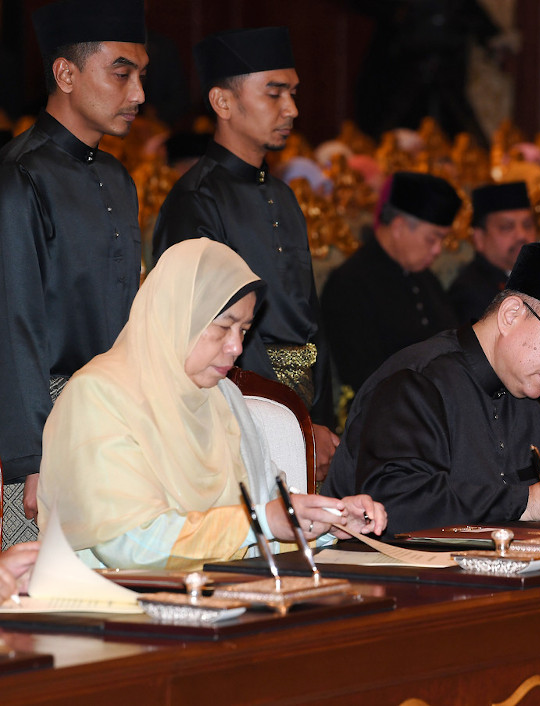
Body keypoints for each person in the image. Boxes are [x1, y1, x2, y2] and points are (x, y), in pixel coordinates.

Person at [37, 239, 385, 570]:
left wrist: (326, 522)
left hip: (221, 598)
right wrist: (262, 519)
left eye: (244, 330)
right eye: (223, 327)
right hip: (115, 610)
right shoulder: (99, 396)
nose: (236, 348)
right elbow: (129, 545)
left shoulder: (222, 397)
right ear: (177, 315)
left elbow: (266, 520)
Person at [323, 242, 540, 536]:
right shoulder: (417, 382)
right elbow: (396, 505)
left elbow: (525, 500)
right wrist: (527, 502)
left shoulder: (529, 407)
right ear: (511, 315)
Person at [151, 27, 339, 480]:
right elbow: (204, 332)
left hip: (304, 409)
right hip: (239, 409)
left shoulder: (284, 195)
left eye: (292, 93)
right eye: (274, 94)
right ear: (223, 102)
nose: (291, 109)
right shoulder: (196, 200)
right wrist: (286, 417)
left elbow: (309, 318)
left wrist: (323, 416)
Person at [0, 0, 147, 548]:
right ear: (65, 73)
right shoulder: (20, 177)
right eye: (121, 72)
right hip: (47, 422)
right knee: (42, 595)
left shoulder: (116, 176)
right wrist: (33, 459)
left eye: (141, 75)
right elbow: (13, 328)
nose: (138, 94)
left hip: (118, 421)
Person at [322, 171, 461, 393]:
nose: (438, 250)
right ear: (398, 227)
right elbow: (364, 376)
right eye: (432, 238)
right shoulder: (349, 283)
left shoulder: (425, 277)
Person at [448, 181, 537, 323]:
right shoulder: (470, 292)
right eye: (507, 227)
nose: (521, 235)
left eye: (527, 225)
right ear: (479, 238)